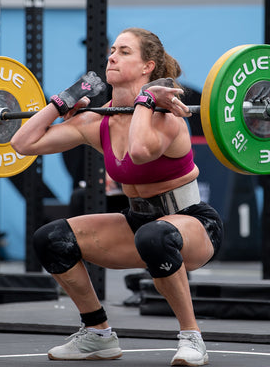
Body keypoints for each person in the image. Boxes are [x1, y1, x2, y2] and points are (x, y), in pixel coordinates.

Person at [11, 27, 223, 366]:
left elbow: (139, 152)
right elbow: (22, 144)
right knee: (51, 239)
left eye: (124, 52)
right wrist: (60, 102)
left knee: (154, 235)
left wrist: (147, 100)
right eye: (112, 50)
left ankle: (192, 337)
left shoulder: (168, 117)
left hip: (192, 224)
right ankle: (97, 333)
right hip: (137, 223)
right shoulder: (99, 120)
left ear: (147, 67)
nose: (112, 56)